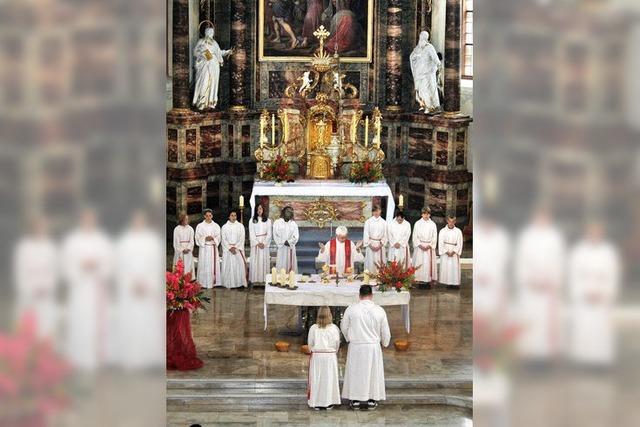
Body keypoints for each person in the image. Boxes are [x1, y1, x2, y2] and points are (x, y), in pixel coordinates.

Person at [61, 208, 113, 370]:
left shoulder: (102, 240)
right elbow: (65, 263)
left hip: (96, 288)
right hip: (79, 288)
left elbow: (109, 263)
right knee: (79, 322)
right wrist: (81, 266)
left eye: (91, 218)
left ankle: (94, 361)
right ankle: (77, 360)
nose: (88, 221)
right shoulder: (72, 240)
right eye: (85, 218)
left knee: (95, 324)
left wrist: (97, 266)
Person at [114, 210, 164, 369]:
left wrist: (148, 283)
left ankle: (148, 357)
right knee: (131, 323)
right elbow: (120, 266)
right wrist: (131, 283)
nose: (138, 223)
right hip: (130, 289)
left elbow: (156, 266)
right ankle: (130, 358)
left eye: (141, 220)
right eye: (136, 220)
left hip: (147, 289)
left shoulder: (152, 242)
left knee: (146, 323)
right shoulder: (124, 242)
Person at [514, 208, 565, 361]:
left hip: (547, 289)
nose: (541, 220)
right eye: (538, 217)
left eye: (544, 217)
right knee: (530, 322)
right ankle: (529, 356)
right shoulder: (526, 237)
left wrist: (551, 280)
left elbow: (559, 261)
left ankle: (545, 357)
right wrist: (528, 279)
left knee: (544, 324)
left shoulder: (555, 237)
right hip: (530, 287)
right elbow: (521, 260)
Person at [567, 221, 619, 367]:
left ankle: (601, 361)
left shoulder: (609, 252)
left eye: (598, 232)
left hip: (602, 298)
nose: (595, 235)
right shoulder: (578, 251)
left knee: (600, 331)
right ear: (587, 233)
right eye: (592, 232)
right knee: (585, 328)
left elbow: (613, 275)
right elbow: (573, 275)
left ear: (602, 234)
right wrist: (583, 293)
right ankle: (583, 360)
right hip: (584, 298)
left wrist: (604, 293)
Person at [341, 285, 391, 410]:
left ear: (359, 295)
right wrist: (385, 343)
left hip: (356, 346)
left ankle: (355, 399)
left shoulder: (351, 309)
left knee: (356, 372)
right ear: (371, 296)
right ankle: (371, 399)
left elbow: (343, 327)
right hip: (372, 347)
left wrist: (349, 339)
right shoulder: (379, 310)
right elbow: (385, 331)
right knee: (372, 373)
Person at [13, 217, 59, 340]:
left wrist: (47, 287)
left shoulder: (51, 247)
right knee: (28, 330)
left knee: (45, 328)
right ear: (33, 228)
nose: (41, 230)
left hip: (46, 294)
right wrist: (31, 290)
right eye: (38, 227)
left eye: (43, 227)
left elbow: (54, 271)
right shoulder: (23, 247)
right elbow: (19, 272)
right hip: (29, 295)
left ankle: (45, 356)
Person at [307, 306, 341, 410]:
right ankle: (328, 402)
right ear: (330, 315)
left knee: (317, 379)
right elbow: (337, 344)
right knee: (328, 379)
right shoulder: (334, 328)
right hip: (330, 357)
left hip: (317, 356)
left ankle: (316, 402)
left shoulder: (313, 328)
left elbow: (310, 344)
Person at [192, 26, 234, 111]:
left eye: (212, 32)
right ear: (206, 33)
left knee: (213, 83)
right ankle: (201, 102)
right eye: (209, 32)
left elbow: (219, 52)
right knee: (204, 82)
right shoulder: (201, 41)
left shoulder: (214, 43)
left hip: (214, 64)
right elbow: (195, 52)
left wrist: (227, 52)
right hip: (204, 63)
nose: (211, 33)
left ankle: (210, 102)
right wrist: (203, 54)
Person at [410, 31, 441, 113]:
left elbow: (435, 59)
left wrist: (438, 64)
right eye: (420, 36)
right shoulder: (418, 48)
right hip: (419, 73)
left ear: (426, 37)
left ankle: (429, 106)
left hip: (427, 73)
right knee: (420, 90)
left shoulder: (430, 47)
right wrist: (415, 56)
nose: (421, 37)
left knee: (425, 90)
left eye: (423, 36)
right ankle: (423, 105)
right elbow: (411, 56)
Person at [221, 209, 247, 289]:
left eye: (235, 215)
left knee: (238, 266)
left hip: (237, 250)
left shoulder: (240, 226)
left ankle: (239, 282)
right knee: (228, 267)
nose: (233, 217)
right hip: (228, 250)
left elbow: (242, 238)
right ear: (229, 216)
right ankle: (228, 283)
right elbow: (223, 239)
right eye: (232, 215)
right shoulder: (224, 227)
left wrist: (236, 247)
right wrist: (229, 248)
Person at [195, 209, 222, 288]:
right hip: (204, 248)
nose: (208, 217)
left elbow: (219, 236)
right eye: (207, 216)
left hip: (212, 248)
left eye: (210, 216)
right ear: (204, 216)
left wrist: (213, 238)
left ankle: (213, 282)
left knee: (212, 265)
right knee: (204, 264)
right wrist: (205, 238)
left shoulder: (216, 226)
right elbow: (197, 237)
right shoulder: (200, 226)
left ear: (212, 216)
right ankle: (202, 283)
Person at [412, 207, 438, 286]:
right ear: (422, 214)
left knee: (427, 265)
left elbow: (434, 236)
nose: (426, 215)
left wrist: (430, 245)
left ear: (430, 214)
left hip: (428, 247)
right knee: (420, 264)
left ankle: (427, 280)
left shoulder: (433, 224)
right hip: (420, 247)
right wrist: (419, 245)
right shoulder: (417, 223)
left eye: (428, 214)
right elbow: (415, 236)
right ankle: (419, 280)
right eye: (424, 214)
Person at [249, 204, 272, 285]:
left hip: (264, 244)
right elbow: (251, 233)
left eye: (261, 209)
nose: (259, 210)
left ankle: (264, 280)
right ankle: (255, 280)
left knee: (264, 261)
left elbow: (269, 234)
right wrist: (257, 243)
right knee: (256, 262)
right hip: (256, 244)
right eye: (258, 209)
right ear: (255, 210)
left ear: (263, 210)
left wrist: (264, 243)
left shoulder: (268, 221)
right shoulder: (252, 220)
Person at [438, 214, 463, 288]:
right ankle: (448, 283)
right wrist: (446, 251)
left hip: (454, 252)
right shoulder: (442, 231)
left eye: (453, 221)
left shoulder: (458, 231)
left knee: (454, 268)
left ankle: (455, 284)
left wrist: (454, 251)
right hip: (446, 252)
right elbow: (440, 242)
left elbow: (460, 243)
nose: (451, 223)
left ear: (455, 222)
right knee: (447, 268)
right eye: (449, 221)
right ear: (447, 221)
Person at [273, 206, 299, 273]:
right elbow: (275, 234)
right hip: (282, 248)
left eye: (291, 212)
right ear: (283, 212)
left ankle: (291, 280)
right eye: (287, 211)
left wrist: (289, 242)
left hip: (290, 248)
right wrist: (283, 242)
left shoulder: (293, 224)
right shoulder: (277, 223)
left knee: (291, 266)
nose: (289, 213)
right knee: (281, 265)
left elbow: (296, 236)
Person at [362, 205, 387, 274]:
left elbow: (385, 235)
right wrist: (370, 245)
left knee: (379, 262)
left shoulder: (384, 222)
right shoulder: (368, 222)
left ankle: (380, 277)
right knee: (370, 261)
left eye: (377, 210)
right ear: (372, 212)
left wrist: (380, 245)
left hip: (380, 245)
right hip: (371, 244)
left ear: (380, 211)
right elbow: (366, 234)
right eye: (374, 211)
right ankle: (369, 276)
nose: (376, 212)